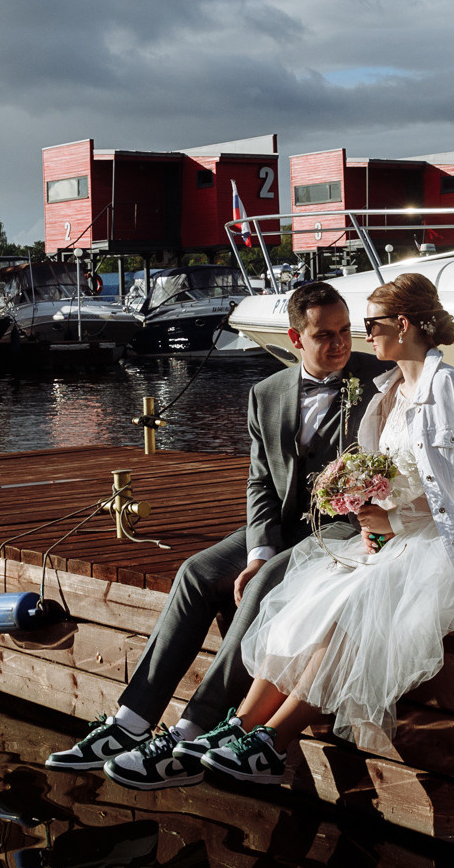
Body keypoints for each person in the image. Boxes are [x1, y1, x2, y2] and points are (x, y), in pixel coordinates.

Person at [201, 273, 454, 782]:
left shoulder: (445, 385)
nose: (364, 336)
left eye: (370, 324)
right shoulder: (392, 389)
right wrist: (367, 504)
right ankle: (241, 726)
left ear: (402, 325)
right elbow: (396, 471)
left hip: (443, 545)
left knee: (349, 613)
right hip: (397, 537)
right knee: (311, 604)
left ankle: (272, 741)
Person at [42, 279, 384, 787]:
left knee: (266, 585)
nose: (338, 344)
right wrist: (258, 549)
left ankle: (190, 729)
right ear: (295, 338)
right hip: (286, 526)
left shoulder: (382, 378)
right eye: (323, 335)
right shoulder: (266, 394)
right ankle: (131, 720)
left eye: (344, 332)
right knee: (197, 572)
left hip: (345, 529)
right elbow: (261, 482)